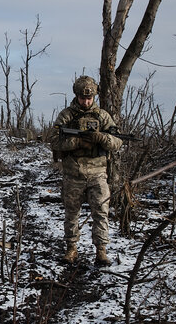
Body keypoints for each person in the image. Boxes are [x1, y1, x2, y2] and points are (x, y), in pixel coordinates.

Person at [45, 75, 122, 266]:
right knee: (71, 213)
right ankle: (71, 249)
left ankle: (101, 251)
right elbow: (53, 140)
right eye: (82, 98)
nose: (86, 102)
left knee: (101, 212)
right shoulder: (66, 116)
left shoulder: (103, 116)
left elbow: (117, 142)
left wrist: (101, 138)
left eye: (89, 98)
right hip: (73, 174)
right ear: (76, 96)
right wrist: (77, 142)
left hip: (98, 174)